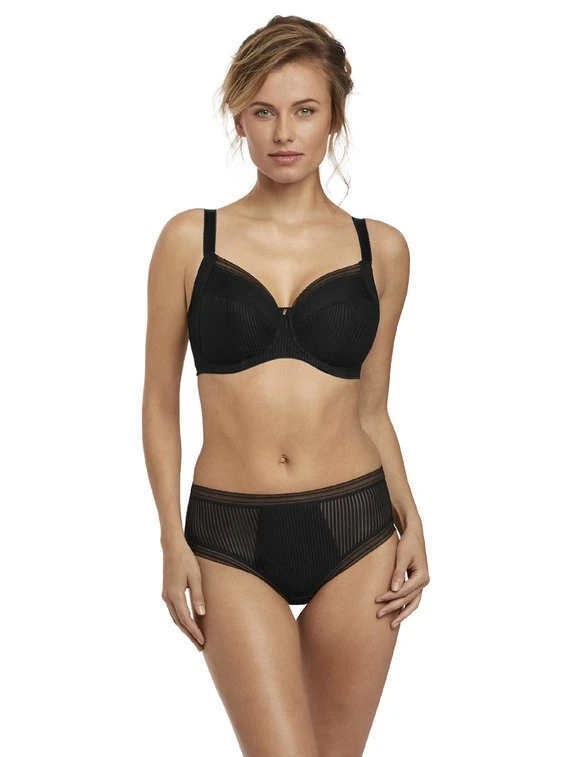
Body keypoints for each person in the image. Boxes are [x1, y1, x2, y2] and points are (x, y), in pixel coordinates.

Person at [142, 14, 430, 757]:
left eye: (304, 109)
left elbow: (373, 408)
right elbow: (159, 403)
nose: (283, 133)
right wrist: (170, 538)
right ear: (239, 115)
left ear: (334, 116)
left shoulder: (382, 250)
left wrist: (413, 520)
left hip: (358, 527)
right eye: (263, 111)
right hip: (229, 534)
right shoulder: (189, 239)